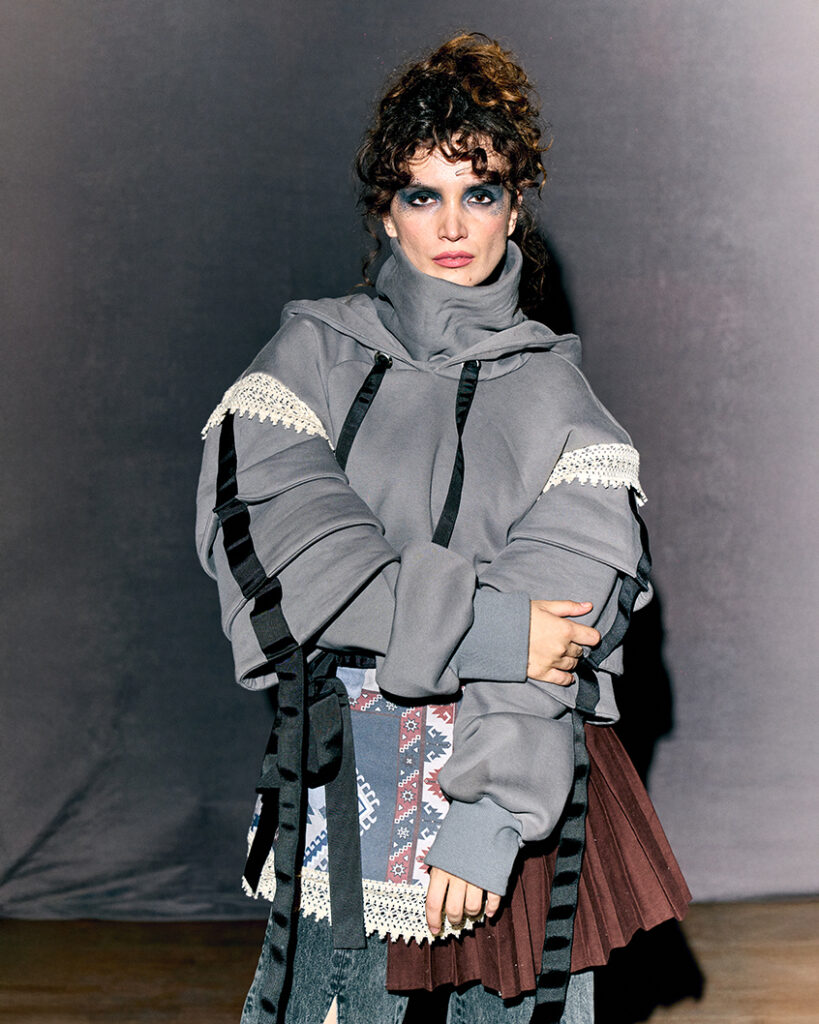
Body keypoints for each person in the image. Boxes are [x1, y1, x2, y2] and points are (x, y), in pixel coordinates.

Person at [195, 32, 689, 1024]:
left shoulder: (566, 408)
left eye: (481, 191)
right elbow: (301, 569)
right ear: (387, 211)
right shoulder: (308, 358)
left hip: (520, 800)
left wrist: (490, 815)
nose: (454, 225)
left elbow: (569, 619)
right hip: (345, 793)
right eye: (423, 195)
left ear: (516, 206)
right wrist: (499, 631)